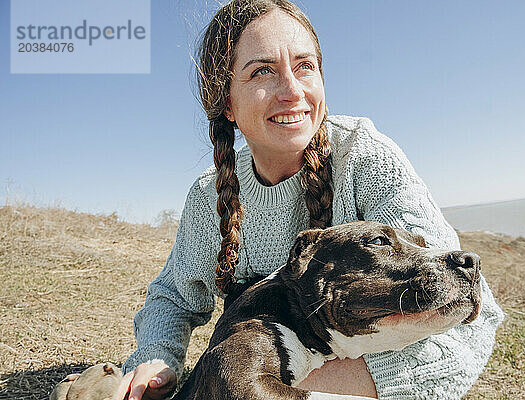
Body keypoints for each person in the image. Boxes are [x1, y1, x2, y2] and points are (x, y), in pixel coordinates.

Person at [113, 0, 504, 399]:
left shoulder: (364, 159)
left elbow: (467, 320)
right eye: (263, 71)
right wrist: (157, 356)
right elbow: (174, 297)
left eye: (305, 66)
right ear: (226, 100)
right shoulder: (208, 196)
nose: (292, 91)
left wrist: (268, 387)